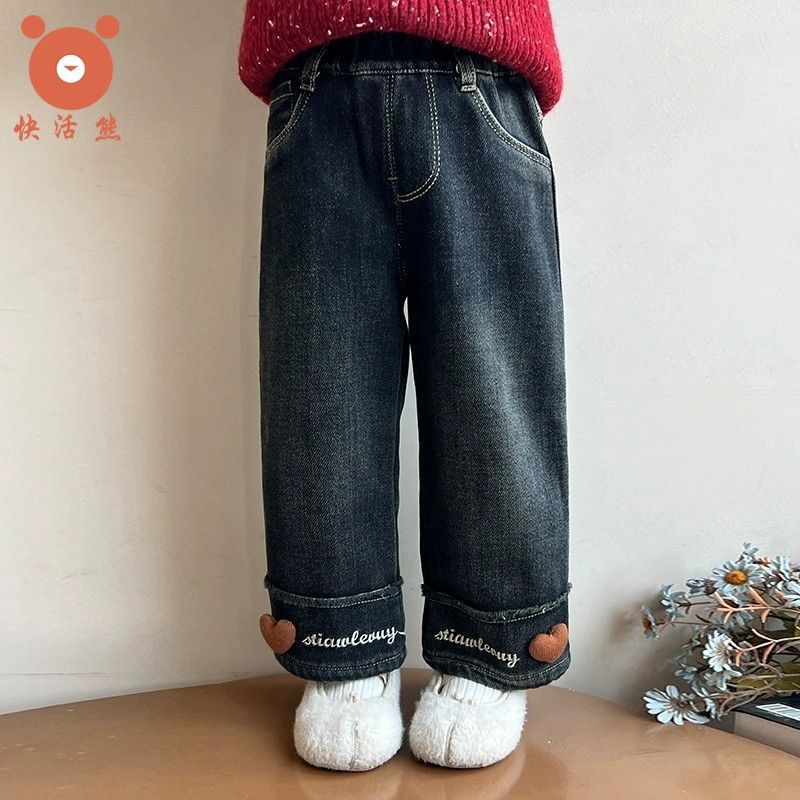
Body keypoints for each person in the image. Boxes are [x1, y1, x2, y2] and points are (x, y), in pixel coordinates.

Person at [238, 1, 570, 771]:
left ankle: (492, 645)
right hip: (314, 81)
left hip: (484, 76)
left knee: (492, 390)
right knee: (319, 385)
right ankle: (343, 644)